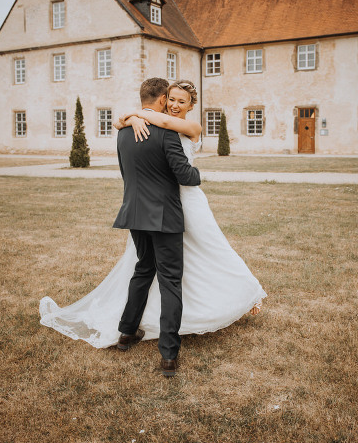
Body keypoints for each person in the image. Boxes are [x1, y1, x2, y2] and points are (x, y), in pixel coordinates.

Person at [39, 78, 266, 376]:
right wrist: (197, 174)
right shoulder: (163, 132)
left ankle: (126, 332)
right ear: (163, 99)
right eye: (171, 99)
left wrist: (133, 116)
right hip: (167, 212)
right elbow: (184, 174)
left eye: (181, 101)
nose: (174, 104)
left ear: (191, 105)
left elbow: (134, 150)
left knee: (145, 269)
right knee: (170, 279)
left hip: (137, 212)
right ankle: (168, 355)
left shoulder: (127, 132)